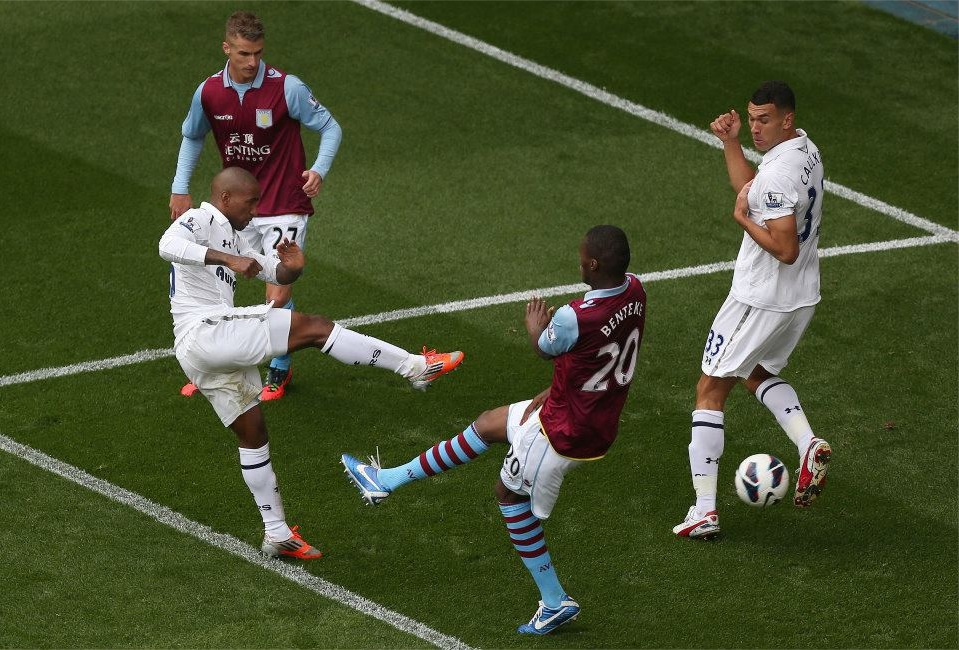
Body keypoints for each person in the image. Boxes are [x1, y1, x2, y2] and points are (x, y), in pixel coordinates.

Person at [341, 225, 646, 635]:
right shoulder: (636, 291)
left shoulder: (575, 316)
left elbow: (545, 348)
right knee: (489, 423)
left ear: (592, 264)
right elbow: (600, 358)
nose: (578, 260)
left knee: (508, 496)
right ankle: (387, 481)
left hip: (563, 430)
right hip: (588, 411)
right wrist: (558, 386)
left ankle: (554, 601)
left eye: (581, 256)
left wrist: (536, 325)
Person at [159, 167, 463, 560]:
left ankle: (277, 533)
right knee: (316, 328)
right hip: (205, 331)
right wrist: (226, 260)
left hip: (200, 349)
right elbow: (167, 243)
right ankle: (414, 367)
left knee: (253, 435)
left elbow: (271, 270)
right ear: (225, 199)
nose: (256, 211)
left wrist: (292, 268)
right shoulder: (200, 219)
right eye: (250, 203)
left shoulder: (235, 236)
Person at [672, 81, 832, 540]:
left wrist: (741, 220)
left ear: (787, 118)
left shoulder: (780, 174)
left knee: (709, 389)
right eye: (752, 118)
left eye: (764, 120)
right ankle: (807, 443)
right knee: (753, 370)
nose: (756, 128)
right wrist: (731, 143)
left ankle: (705, 510)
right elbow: (752, 189)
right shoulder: (805, 150)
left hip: (761, 296)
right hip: (800, 294)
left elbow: (783, 246)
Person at [169, 10, 343, 401]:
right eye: (244, 54)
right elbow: (191, 135)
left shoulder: (287, 88)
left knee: (277, 288)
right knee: (219, 282)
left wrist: (319, 169)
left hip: (283, 200)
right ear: (227, 48)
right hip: (236, 205)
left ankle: (279, 367)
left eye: (258, 53)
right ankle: (218, 364)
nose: (252, 63)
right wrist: (180, 188)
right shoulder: (210, 92)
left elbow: (331, 127)